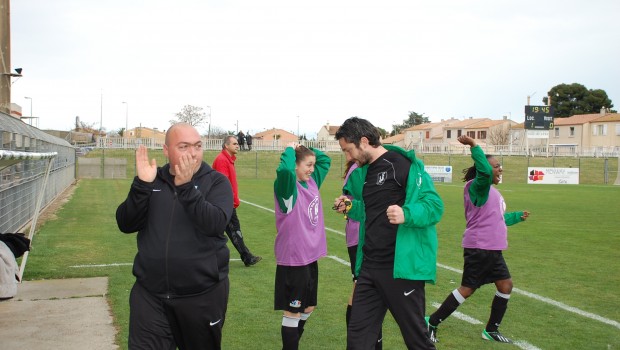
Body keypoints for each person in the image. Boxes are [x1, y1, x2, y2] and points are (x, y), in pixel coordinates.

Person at [116, 123, 234, 350]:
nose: (193, 153)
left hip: (201, 296)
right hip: (150, 296)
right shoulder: (153, 181)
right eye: (184, 146)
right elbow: (126, 223)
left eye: (198, 146)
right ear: (166, 150)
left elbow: (215, 224)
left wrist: (187, 187)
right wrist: (141, 186)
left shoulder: (216, 182)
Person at [334, 117, 443, 350]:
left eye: (348, 150)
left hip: (400, 270)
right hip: (369, 269)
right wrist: (351, 207)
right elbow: (372, 211)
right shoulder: (365, 173)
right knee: (358, 340)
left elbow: (434, 207)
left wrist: (406, 213)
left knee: (417, 341)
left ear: (364, 141)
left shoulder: (402, 165)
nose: (348, 158)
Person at [425, 135, 530, 344]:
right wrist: (474, 146)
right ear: (485, 168)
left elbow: (497, 219)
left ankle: (490, 330)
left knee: (505, 285)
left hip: (492, 249)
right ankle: (432, 321)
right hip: (480, 247)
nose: (500, 170)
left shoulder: (492, 191)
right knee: (467, 288)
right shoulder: (478, 186)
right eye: (497, 166)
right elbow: (483, 171)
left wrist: (517, 216)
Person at [273, 142, 331, 350]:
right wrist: (290, 150)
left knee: (309, 307)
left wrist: (306, 149)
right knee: (293, 311)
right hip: (294, 257)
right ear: (296, 166)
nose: (312, 169)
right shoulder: (288, 187)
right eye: (307, 165)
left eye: (312, 165)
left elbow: (326, 160)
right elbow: (285, 170)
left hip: (309, 256)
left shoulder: (311, 182)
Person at [339, 161, 383, 349]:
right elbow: (366, 204)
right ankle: (360, 342)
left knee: (370, 292)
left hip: (363, 237)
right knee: (363, 292)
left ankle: (369, 342)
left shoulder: (363, 167)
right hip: (361, 238)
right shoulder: (358, 170)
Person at [212, 135, 262, 267]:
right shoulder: (222, 160)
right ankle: (246, 257)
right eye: (234, 143)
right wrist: (228, 203)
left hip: (226, 204)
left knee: (227, 231)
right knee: (230, 231)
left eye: (237, 143)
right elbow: (223, 184)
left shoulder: (228, 160)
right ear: (226, 146)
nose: (237, 145)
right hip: (224, 204)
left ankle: (247, 257)